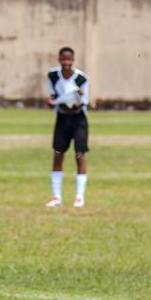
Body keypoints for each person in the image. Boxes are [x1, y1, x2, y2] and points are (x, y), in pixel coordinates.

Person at [43, 46, 90, 208]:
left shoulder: (81, 78)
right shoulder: (52, 75)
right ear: (59, 60)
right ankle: (56, 196)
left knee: (79, 155)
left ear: (73, 60)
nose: (66, 63)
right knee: (58, 154)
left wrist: (79, 95)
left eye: (69, 60)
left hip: (78, 119)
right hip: (62, 118)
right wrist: (51, 102)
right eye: (63, 59)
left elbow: (84, 101)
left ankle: (79, 197)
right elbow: (52, 97)